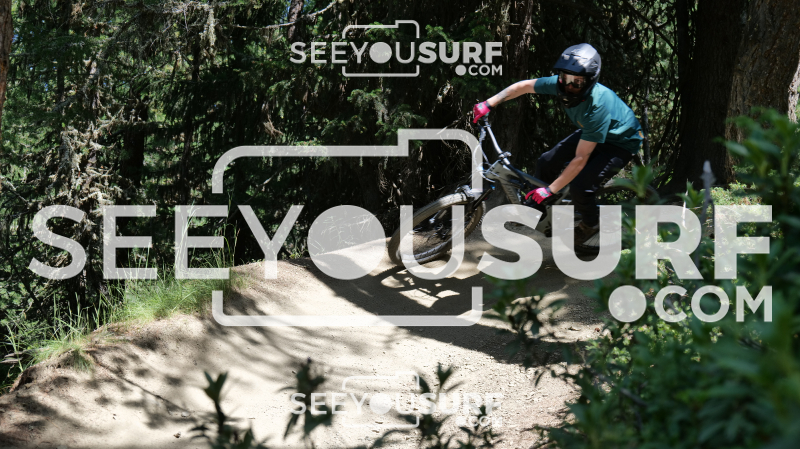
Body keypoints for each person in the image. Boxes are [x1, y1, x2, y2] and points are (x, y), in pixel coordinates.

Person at [473, 43, 644, 244]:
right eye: (565, 78)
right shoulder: (559, 84)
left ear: (590, 81)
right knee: (546, 161)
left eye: (577, 82)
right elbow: (524, 86)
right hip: (594, 132)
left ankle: (590, 224)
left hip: (621, 141)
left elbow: (580, 159)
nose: (568, 86)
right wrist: (489, 103)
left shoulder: (598, 106)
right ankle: (536, 210)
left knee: (581, 187)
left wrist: (550, 189)